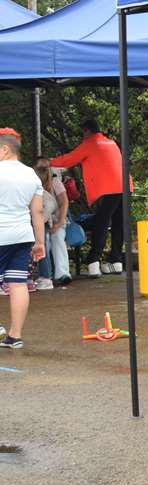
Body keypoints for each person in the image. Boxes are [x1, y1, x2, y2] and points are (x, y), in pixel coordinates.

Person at [49, 119, 130, 278]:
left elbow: (68, 160)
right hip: (126, 185)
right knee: (118, 223)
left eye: (83, 133)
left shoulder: (91, 143)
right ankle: (116, 261)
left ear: (87, 131)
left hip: (110, 187)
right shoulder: (111, 143)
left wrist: (48, 162)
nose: (82, 136)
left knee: (101, 222)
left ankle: (94, 261)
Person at [0, 129, 45, 349]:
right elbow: (38, 212)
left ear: (4, 149)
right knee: (18, 284)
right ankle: (14, 336)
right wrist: (40, 242)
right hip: (22, 236)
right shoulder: (31, 175)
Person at [36, 160, 72, 286]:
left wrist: (60, 223)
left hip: (57, 220)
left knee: (57, 237)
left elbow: (64, 202)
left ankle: (63, 274)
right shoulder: (32, 183)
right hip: (41, 222)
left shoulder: (55, 182)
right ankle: (46, 275)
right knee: (43, 240)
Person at [30, 165, 59, 291]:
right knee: (39, 251)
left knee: (42, 250)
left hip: (41, 226)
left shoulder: (43, 195)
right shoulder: (38, 193)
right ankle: (41, 276)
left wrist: (36, 222)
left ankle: (46, 277)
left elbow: (48, 211)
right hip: (37, 225)